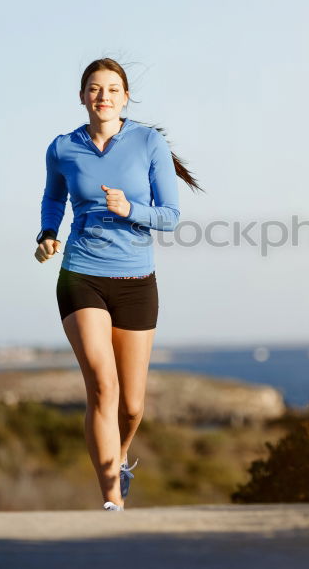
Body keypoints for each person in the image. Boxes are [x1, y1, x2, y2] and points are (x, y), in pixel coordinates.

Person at [34, 58, 201, 511]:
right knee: (102, 387)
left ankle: (121, 454)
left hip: (135, 281)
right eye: (94, 88)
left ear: (125, 98)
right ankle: (112, 501)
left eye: (112, 89)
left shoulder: (149, 143)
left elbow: (169, 217)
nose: (103, 96)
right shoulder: (63, 147)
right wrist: (48, 234)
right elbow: (54, 198)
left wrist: (131, 210)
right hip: (81, 274)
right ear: (83, 96)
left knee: (131, 407)